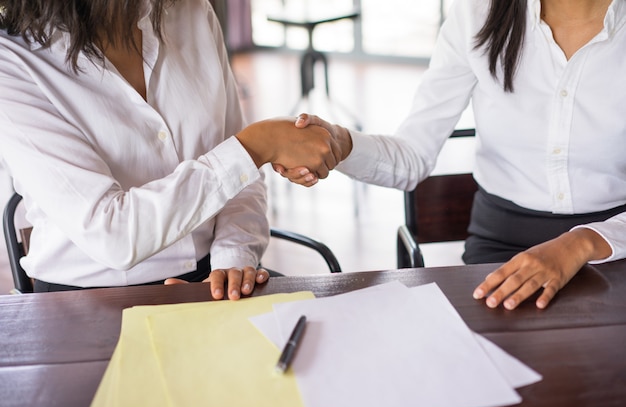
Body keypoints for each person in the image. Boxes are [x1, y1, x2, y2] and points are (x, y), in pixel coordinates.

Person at [276, 0, 626, 310]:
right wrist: (341, 145)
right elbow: (411, 155)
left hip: (615, 245)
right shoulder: (477, 14)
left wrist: (582, 242)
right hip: (501, 250)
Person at [0, 0, 341, 298]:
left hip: (212, 279)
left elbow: (241, 180)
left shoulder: (192, 13)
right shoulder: (12, 60)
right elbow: (111, 233)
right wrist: (256, 146)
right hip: (87, 303)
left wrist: (233, 259)